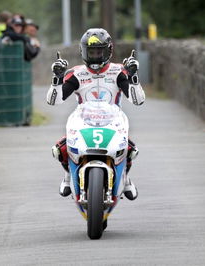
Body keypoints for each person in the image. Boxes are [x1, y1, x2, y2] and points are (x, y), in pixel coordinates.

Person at [46, 28, 145, 200]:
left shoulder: (118, 71)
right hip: (84, 120)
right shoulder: (76, 73)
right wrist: (57, 79)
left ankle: (126, 178)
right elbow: (54, 100)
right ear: (83, 51)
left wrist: (133, 76)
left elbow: (137, 100)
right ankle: (69, 175)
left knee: (130, 149)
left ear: (108, 51)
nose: (95, 56)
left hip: (112, 121)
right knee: (60, 149)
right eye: (91, 52)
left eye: (99, 51)